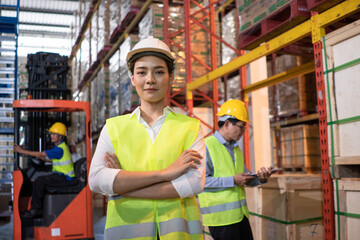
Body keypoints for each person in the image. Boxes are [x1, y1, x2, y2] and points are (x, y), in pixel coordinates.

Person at [89, 37, 206, 240]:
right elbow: (96, 180)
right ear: (132, 78)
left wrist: (122, 187)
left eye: (159, 72)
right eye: (142, 72)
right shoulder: (113, 128)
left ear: (170, 77)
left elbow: (192, 184)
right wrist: (165, 174)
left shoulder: (190, 127)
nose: (150, 79)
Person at [197, 99, 273, 240]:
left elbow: (243, 178)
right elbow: (200, 182)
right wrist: (232, 180)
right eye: (241, 127)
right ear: (227, 124)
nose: (244, 131)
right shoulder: (206, 146)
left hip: (240, 216)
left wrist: (260, 179)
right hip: (221, 219)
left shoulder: (235, 149)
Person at [13, 122, 75, 218]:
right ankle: (40, 208)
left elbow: (41, 154)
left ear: (60, 137)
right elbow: (50, 158)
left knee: (39, 181)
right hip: (62, 175)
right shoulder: (60, 147)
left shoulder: (59, 149)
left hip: (65, 177)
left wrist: (21, 151)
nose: (51, 136)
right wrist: (44, 159)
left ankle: (35, 210)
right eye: (51, 134)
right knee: (40, 180)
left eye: (54, 134)